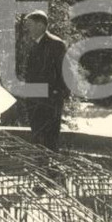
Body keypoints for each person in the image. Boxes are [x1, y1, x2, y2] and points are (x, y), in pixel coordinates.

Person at [21, 10, 70, 153]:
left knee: (50, 140)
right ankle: (41, 169)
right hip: (35, 102)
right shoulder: (34, 44)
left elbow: (65, 73)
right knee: (37, 139)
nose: (27, 28)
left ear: (41, 25)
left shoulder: (56, 44)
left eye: (30, 25)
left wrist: (58, 96)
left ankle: (52, 173)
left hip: (50, 102)